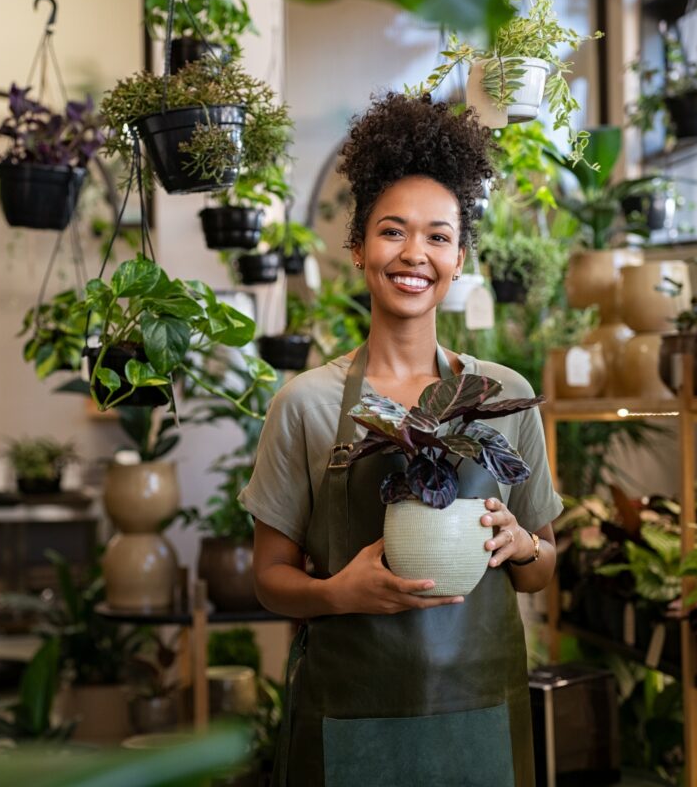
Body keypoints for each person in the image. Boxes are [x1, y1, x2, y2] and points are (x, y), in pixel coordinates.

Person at [239, 93, 562, 786]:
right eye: (393, 231)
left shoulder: (502, 396)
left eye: (438, 236)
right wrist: (338, 594)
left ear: (459, 255)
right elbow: (268, 579)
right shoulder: (305, 405)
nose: (415, 253)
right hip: (352, 717)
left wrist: (524, 544)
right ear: (358, 247)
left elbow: (541, 568)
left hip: (481, 713)